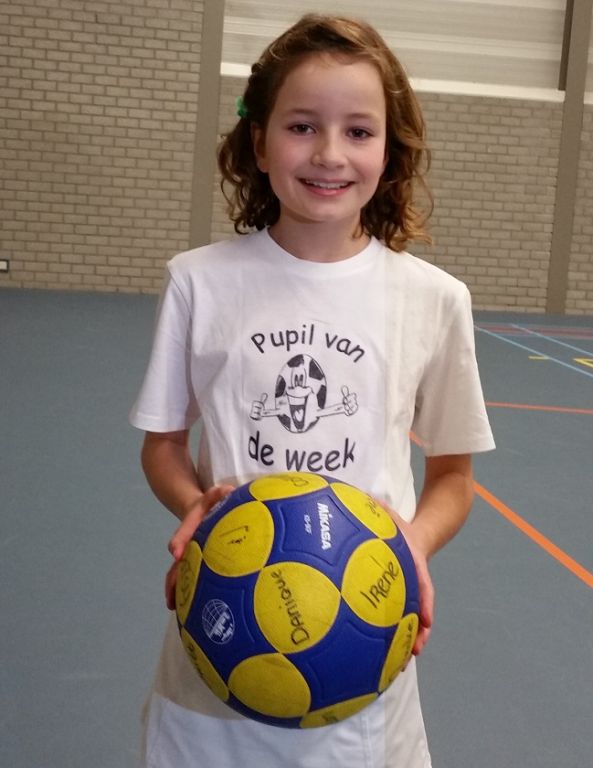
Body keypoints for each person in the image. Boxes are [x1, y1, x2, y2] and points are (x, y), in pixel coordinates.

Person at [129, 13, 495, 768]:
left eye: (358, 131)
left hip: (362, 639)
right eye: (302, 126)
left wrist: (412, 543)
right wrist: (196, 505)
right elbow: (162, 445)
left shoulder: (432, 299)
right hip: (223, 634)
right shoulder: (199, 282)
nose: (330, 153)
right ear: (259, 142)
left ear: (388, 150)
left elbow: (453, 476)